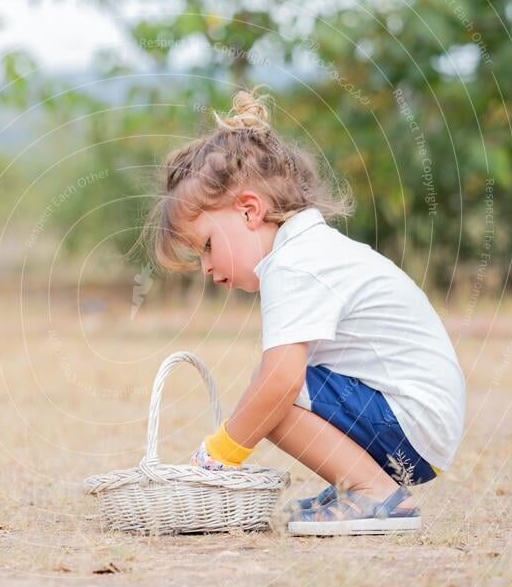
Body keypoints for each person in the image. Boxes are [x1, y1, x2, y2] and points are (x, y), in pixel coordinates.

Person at [138, 88, 466, 536]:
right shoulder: (306, 250)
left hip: (412, 423)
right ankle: (361, 486)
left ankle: (373, 492)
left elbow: (279, 382)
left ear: (250, 210)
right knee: (273, 386)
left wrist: (219, 455)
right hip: (420, 426)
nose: (208, 269)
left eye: (208, 247)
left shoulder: (294, 265)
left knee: (274, 391)